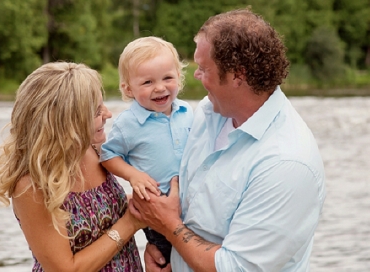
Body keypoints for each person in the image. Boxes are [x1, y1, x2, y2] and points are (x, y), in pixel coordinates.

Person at [131, 8, 326, 272]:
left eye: (203, 68)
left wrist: (168, 225)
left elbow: (235, 267)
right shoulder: (207, 111)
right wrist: (166, 256)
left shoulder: (286, 163)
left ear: (237, 75)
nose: (196, 77)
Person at [0, 62, 144, 271]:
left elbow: (101, 214)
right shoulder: (31, 185)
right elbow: (66, 269)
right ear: (67, 123)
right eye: (97, 111)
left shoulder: (93, 148)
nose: (107, 114)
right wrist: (129, 225)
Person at [100, 36, 194, 267]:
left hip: (195, 208)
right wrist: (134, 175)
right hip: (158, 212)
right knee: (167, 262)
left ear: (179, 78)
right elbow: (108, 156)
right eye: (147, 82)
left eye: (168, 78)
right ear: (128, 89)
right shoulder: (129, 123)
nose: (160, 87)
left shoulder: (187, 111)